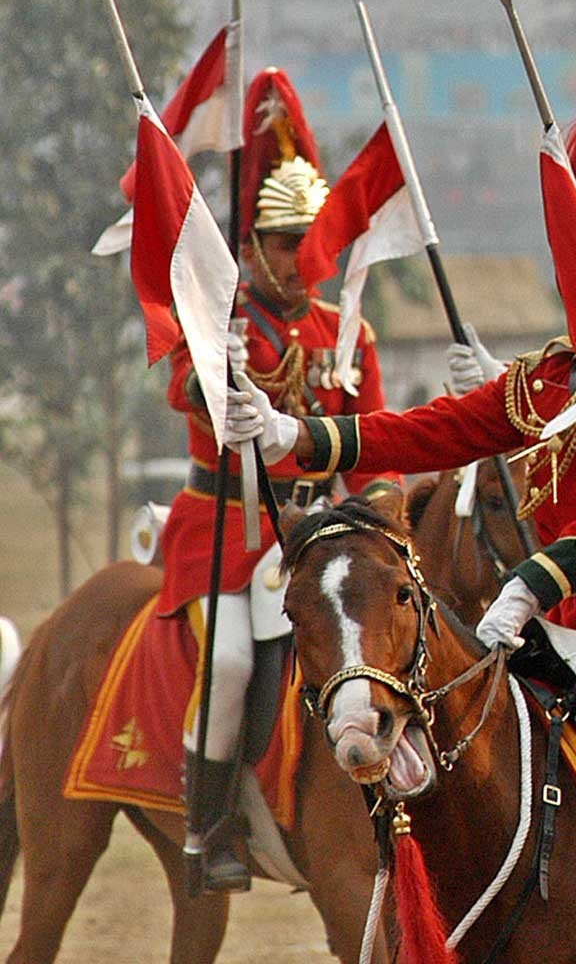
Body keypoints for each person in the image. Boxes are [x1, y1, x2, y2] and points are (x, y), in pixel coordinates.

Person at [224, 74, 576, 645]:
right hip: (556, 625)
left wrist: (528, 586)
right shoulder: (545, 380)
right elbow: (431, 431)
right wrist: (296, 433)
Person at [159, 67, 404, 893]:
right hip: (227, 533)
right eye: (281, 244)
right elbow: (185, 397)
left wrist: (382, 504)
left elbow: (368, 445)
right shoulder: (221, 321)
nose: (300, 261)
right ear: (250, 247)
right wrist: (214, 375)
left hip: (318, 535)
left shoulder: (346, 333)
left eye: (311, 243)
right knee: (229, 663)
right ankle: (207, 824)